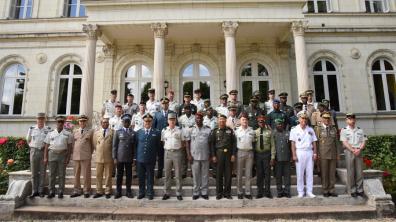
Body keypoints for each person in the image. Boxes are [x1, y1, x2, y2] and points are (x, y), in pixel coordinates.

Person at [290, 111, 318, 198]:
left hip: (309, 152)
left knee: (309, 172)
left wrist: (315, 153)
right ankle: (301, 191)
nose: (304, 120)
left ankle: (309, 191)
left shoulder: (310, 129)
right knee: (300, 173)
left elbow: (314, 142)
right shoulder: (294, 129)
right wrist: (294, 155)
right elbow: (293, 144)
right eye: (302, 118)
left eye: (305, 119)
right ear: (299, 119)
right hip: (300, 152)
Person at [43, 116, 73, 199]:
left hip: (62, 155)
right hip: (52, 154)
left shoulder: (68, 134)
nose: (60, 124)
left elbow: (70, 147)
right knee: (51, 174)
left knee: (61, 174)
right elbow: (46, 146)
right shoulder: (50, 133)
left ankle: (60, 191)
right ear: (56, 123)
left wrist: (68, 158)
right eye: (58, 122)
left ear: (64, 123)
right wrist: (45, 157)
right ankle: (51, 191)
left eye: (62, 122)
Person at [161, 113, 188, 201]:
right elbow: (163, 142)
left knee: (178, 174)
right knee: (167, 174)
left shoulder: (180, 130)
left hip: (177, 153)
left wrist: (177, 149)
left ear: (175, 120)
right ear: (168, 121)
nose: (172, 121)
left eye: (173, 120)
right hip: (167, 153)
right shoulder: (164, 130)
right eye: (170, 120)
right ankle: (166, 192)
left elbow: (183, 143)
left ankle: (178, 193)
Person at [340, 113, 367, 197]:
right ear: (346, 120)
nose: (351, 121)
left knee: (359, 171)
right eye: (349, 119)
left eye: (353, 119)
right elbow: (344, 142)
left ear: (355, 120)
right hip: (349, 151)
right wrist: (352, 150)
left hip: (358, 151)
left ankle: (360, 189)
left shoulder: (360, 130)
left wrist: (359, 149)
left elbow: (364, 141)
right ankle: (352, 190)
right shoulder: (344, 130)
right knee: (351, 171)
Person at [135, 113, 161, 200]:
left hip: (151, 158)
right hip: (140, 158)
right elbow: (135, 145)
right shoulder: (138, 132)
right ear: (143, 122)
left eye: (149, 121)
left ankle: (150, 192)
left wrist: (157, 157)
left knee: (150, 177)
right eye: (146, 121)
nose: (147, 123)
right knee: (141, 177)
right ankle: (141, 192)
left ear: (152, 122)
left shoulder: (156, 133)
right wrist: (136, 157)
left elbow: (158, 146)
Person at [186, 112, 212, 200]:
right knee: (196, 175)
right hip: (194, 156)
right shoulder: (190, 130)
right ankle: (196, 192)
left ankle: (204, 192)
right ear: (195, 119)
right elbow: (187, 143)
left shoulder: (208, 130)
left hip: (205, 155)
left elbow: (211, 143)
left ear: (203, 119)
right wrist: (189, 155)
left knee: (205, 175)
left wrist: (211, 155)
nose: (198, 119)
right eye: (197, 118)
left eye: (200, 118)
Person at [210, 114, 236, 200]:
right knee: (219, 175)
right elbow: (212, 144)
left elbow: (234, 143)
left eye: (223, 120)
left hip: (228, 155)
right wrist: (213, 155)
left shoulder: (230, 131)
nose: (222, 121)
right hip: (218, 154)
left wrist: (233, 154)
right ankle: (219, 193)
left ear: (226, 121)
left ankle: (227, 193)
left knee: (228, 175)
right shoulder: (214, 131)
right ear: (218, 121)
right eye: (220, 120)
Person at [26, 112, 51, 198]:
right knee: (34, 172)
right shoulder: (32, 129)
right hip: (34, 151)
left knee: (42, 172)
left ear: (45, 120)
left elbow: (49, 142)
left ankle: (41, 191)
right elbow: (28, 140)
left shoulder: (48, 129)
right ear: (36, 120)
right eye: (39, 119)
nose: (40, 120)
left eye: (42, 119)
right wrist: (32, 147)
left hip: (43, 152)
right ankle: (34, 191)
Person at [70, 115, 94, 198]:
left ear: (86, 122)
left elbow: (92, 144)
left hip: (86, 155)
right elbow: (73, 143)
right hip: (76, 155)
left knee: (86, 174)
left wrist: (89, 153)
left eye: (84, 121)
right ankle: (77, 190)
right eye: (81, 121)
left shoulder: (90, 131)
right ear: (78, 122)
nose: (82, 123)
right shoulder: (75, 131)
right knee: (76, 174)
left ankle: (86, 190)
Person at [113, 114, 136, 199]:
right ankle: (118, 191)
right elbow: (114, 146)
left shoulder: (133, 133)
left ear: (130, 122)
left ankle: (128, 191)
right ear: (122, 122)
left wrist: (134, 158)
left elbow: (134, 147)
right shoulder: (118, 132)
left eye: (128, 121)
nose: (126, 123)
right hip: (120, 157)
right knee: (119, 175)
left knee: (129, 176)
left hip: (129, 158)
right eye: (125, 121)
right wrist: (114, 157)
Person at [316, 112, 339, 197]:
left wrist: (338, 154)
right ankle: (325, 190)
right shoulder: (318, 129)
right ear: (322, 119)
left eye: (328, 118)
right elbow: (317, 142)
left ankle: (332, 190)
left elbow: (336, 142)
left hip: (332, 153)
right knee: (324, 173)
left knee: (332, 173)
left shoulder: (333, 129)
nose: (326, 120)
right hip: (323, 154)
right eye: (325, 118)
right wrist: (317, 153)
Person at [153, 97, 176, 178]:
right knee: (160, 156)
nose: (164, 105)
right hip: (160, 138)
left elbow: (176, 125)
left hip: (170, 138)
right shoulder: (157, 114)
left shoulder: (172, 113)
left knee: (171, 156)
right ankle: (159, 172)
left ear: (168, 104)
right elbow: (153, 127)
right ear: (161, 104)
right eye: (163, 103)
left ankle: (171, 173)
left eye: (166, 103)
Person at [235, 113, 256, 199]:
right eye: (243, 119)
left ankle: (247, 192)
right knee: (239, 174)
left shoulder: (251, 131)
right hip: (240, 152)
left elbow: (254, 142)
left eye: (246, 119)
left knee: (248, 174)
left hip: (249, 153)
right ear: (240, 121)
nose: (245, 121)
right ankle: (239, 192)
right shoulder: (236, 131)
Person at [92, 116, 114, 199]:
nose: (105, 123)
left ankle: (108, 191)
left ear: (109, 124)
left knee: (108, 175)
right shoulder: (96, 133)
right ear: (101, 124)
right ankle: (99, 191)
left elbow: (113, 145)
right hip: (99, 157)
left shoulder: (112, 132)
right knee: (98, 175)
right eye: (104, 122)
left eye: (107, 122)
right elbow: (94, 144)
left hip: (108, 157)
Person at [254, 114, 275, 199]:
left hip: (267, 154)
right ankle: (260, 192)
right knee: (259, 174)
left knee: (267, 174)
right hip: (258, 155)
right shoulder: (255, 132)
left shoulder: (269, 132)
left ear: (264, 122)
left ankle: (267, 191)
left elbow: (273, 145)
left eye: (262, 121)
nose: (261, 123)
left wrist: (273, 157)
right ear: (258, 123)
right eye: (259, 122)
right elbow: (253, 144)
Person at [273, 118, 291, 198]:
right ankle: (279, 191)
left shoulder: (288, 133)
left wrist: (291, 156)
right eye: (278, 124)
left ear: (283, 125)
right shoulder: (273, 134)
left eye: (281, 124)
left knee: (287, 176)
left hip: (286, 158)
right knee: (278, 176)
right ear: (276, 125)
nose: (280, 125)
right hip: (277, 158)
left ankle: (287, 191)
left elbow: (291, 146)